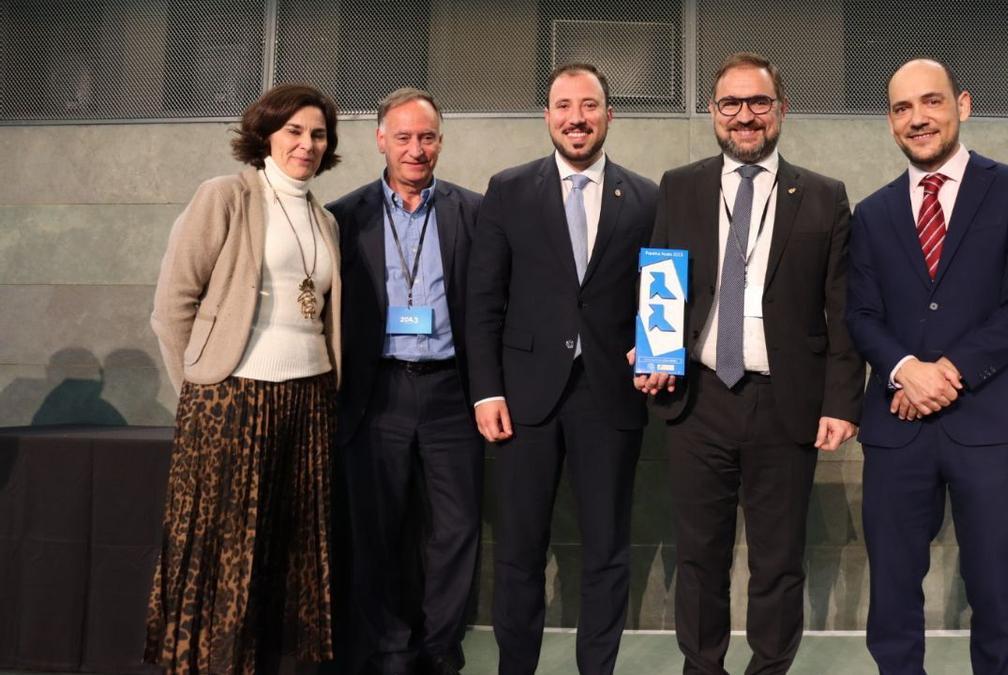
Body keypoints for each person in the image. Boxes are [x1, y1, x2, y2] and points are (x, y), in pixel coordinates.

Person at [639, 52, 864, 674]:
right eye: (731, 104)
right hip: (698, 399)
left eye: (759, 102)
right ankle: (702, 667)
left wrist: (842, 403)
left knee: (778, 559)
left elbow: (841, 311)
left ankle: (770, 668)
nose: (746, 116)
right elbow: (662, 282)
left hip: (784, 402)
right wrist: (652, 349)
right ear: (714, 113)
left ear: (781, 110)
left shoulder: (823, 196)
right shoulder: (680, 185)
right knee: (699, 557)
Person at [846, 58, 1008, 675]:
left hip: (992, 425)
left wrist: (944, 373)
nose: (918, 118)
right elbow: (860, 315)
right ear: (890, 121)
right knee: (891, 591)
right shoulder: (873, 213)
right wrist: (906, 367)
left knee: (994, 587)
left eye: (931, 102)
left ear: (962, 105)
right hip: (897, 429)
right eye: (903, 108)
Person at [466, 62, 657, 675]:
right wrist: (486, 392)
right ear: (547, 116)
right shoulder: (509, 189)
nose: (577, 118)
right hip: (524, 399)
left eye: (590, 105)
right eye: (564, 106)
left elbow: (663, 296)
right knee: (519, 552)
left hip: (610, 398)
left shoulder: (649, 197)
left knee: (606, 552)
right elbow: (484, 302)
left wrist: (656, 350)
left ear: (609, 114)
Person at [146, 83, 342, 674]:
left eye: (318, 134)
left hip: (309, 399)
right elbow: (172, 304)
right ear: (265, 135)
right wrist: (201, 390)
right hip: (233, 397)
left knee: (291, 549)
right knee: (226, 550)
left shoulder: (324, 218)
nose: (306, 144)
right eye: (294, 132)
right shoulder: (226, 195)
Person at [325, 88, 483, 675]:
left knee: (457, 528)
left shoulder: (474, 211)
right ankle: (389, 646)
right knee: (377, 527)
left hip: (452, 392)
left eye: (427, 137)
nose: (415, 149)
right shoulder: (344, 217)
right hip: (376, 394)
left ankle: (440, 644)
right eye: (404, 137)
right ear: (380, 140)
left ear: (440, 141)